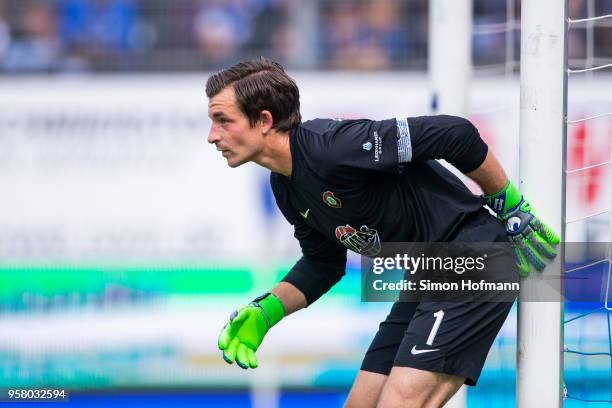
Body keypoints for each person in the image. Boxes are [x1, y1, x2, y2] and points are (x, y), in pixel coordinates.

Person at [206, 59, 559, 407]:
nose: (212, 136)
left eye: (223, 121)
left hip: (472, 255)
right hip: (425, 277)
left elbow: (456, 134)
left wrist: (509, 204)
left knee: (400, 403)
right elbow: (322, 264)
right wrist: (267, 311)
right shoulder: (285, 187)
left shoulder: (332, 146)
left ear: (264, 120)